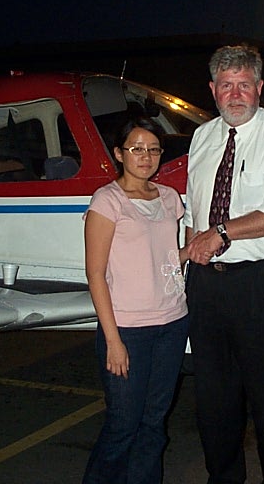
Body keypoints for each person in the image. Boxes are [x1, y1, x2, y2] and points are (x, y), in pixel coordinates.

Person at [183, 45, 264, 484]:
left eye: (243, 85)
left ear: (258, 88)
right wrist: (185, 257)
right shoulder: (202, 139)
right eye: (225, 86)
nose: (235, 94)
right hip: (208, 288)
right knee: (214, 404)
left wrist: (219, 233)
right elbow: (193, 212)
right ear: (212, 90)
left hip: (263, 286)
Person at [82, 117, 189, 484]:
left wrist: (194, 248)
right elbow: (95, 273)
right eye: (136, 148)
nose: (146, 156)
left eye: (153, 149)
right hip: (128, 329)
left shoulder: (170, 198)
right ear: (119, 153)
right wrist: (113, 341)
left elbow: (167, 256)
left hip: (173, 323)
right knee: (123, 425)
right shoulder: (107, 201)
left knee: (154, 422)